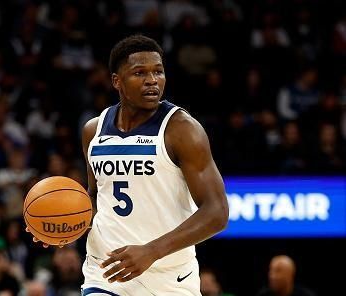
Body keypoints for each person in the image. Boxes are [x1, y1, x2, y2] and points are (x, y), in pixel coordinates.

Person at [28, 34, 229, 295]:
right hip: (106, 269)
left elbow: (218, 211)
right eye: (139, 73)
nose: (152, 80)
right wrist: (59, 224)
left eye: (158, 72)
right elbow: (97, 198)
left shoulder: (181, 130)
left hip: (169, 276)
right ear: (116, 81)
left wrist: (151, 251)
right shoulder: (93, 130)